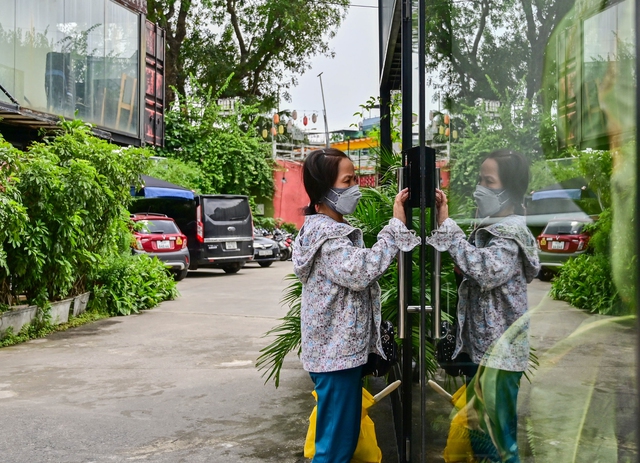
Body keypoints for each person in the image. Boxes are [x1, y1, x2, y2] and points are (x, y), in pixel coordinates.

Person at [292, 148, 420, 463]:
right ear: (325, 190)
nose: (355, 188)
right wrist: (394, 227)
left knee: (341, 441)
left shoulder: (325, 231)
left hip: (335, 355)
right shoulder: (329, 238)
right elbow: (361, 271)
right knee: (334, 449)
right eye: (348, 181)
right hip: (335, 358)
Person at [427, 149, 540, 463]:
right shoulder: (493, 229)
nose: (480, 188)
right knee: (481, 434)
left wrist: (448, 227)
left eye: (488, 182)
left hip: (501, 360)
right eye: (480, 179)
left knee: (500, 442)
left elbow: (485, 270)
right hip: (487, 352)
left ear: (510, 191)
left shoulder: (511, 235)